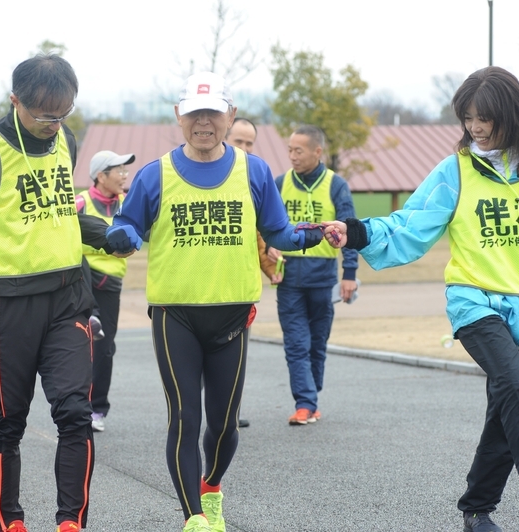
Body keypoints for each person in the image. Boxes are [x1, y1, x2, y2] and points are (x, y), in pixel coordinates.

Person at [323, 66, 519, 532]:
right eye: (467, 117)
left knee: (509, 403)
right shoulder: (455, 172)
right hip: (475, 304)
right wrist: (358, 231)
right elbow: (410, 223)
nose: (474, 127)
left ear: (510, 113)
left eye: (483, 116)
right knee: (515, 385)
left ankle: (476, 510)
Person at [105, 71, 325, 532]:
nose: (203, 122)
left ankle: (211, 486)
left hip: (231, 317)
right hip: (175, 316)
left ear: (230, 114)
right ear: (178, 117)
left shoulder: (255, 171)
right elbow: (128, 226)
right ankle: (194, 518)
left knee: (222, 425)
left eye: (212, 113)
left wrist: (319, 234)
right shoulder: (154, 174)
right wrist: (121, 237)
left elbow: (280, 232)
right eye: (193, 114)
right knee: (185, 416)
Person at [0, 54, 125, 532]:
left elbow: (59, 212)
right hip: (7, 305)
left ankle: (70, 522)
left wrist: (107, 235)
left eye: (63, 114)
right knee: (7, 421)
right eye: (43, 116)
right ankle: (11, 521)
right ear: (15, 101)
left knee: (76, 414)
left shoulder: (66, 140)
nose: (53, 125)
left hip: (68, 298)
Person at [273, 125, 358, 426]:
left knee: (317, 343)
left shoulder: (336, 185)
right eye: (290, 150)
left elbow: (350, 228)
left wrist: (350, 273)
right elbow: (266, 227)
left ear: (317, 152)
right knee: (296, 343)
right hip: (288, 278)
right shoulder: (279, 183)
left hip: (323, 278)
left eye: (299, 150)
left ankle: (311, 399)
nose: (292, 156)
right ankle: (305, 403)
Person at [224, 117, 280, 430]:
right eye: (239, 141)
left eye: (249, 143)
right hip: (200, 287)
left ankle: (229, 411)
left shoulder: (254, 177)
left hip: (240, 288)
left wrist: (271, 267)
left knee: (234, 357)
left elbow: (259, 234)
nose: (244, 148)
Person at [75, 150, 135, 433]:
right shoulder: (81, 202)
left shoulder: (128, 204)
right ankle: (77, 405)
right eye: (119, 171)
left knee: (104, 348)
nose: (125, 176)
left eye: (125, 171)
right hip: (82, 278)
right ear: (101, 176)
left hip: (111, 285)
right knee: (76, 345)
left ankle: (97, 409)